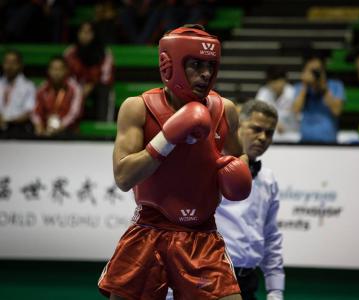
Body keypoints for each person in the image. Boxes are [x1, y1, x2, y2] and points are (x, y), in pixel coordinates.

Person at [97, 24, 253, 300]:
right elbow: (123, 177)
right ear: (170, 65)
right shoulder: (138, 108)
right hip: (149, 231)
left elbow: (238, 158)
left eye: (211, 65)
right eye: (195, 65)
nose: (206, 74)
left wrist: (238, 174)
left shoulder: (225, 110)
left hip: (202, 237)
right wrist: (167, 137)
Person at [216, 100, 284, 300]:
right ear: (237, 126)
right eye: (256, 129)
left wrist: (275, 290)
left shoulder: (268, 179)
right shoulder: (212, 168)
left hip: (248, 283)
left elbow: (271, 237)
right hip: (212, 278)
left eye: (269, 133)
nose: (263, 137)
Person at [64, 21, 114, 121]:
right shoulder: (70, 52)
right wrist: (78, 88)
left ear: (94, 34)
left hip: (96, 87)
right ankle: (68, 126)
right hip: (75, 86)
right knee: (67, 90)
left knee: (104, 90)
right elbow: (65, 74)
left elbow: (106, 76)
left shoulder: (104, 52)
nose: (85, 35)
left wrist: (91, 84)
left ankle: (103, 128)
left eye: (88, 32)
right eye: (82, 32)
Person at [292, 55, 346, 143]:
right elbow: (295, 110)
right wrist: (305, 85)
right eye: (311, 71)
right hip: (305, 141)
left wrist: (323, 88)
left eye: (317, 70)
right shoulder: (300, 87)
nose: (314, 74)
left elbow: (337, 111)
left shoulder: (336, 85)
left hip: (329, 141)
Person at [31, 56, 83, 137]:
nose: (56, 73)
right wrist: (39, 125)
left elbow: (74, 114)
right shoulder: (43, 89)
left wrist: (60, 127)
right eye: (53, 69)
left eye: (59, 69)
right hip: (45, 130)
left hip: (68, 132)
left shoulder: (75, 89)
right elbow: (36, 111)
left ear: (66, 70)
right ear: (48, 71)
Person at [255, 66, 300, 143]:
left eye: (278, 81)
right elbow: (257, 113)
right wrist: (274, 123)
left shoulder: (293, 93)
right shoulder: (264, 92)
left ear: (285, 80)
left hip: (292, 136)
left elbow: (298, 114)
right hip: (270, 137)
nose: (275, 85)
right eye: (272, 82)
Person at [0, 49, 35, 138]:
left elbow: (29, 112)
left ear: (20, 65)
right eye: (7, 62)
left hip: (18, 128)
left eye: (13, 63)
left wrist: (8, 121)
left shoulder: (28, 86)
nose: (9, 66)